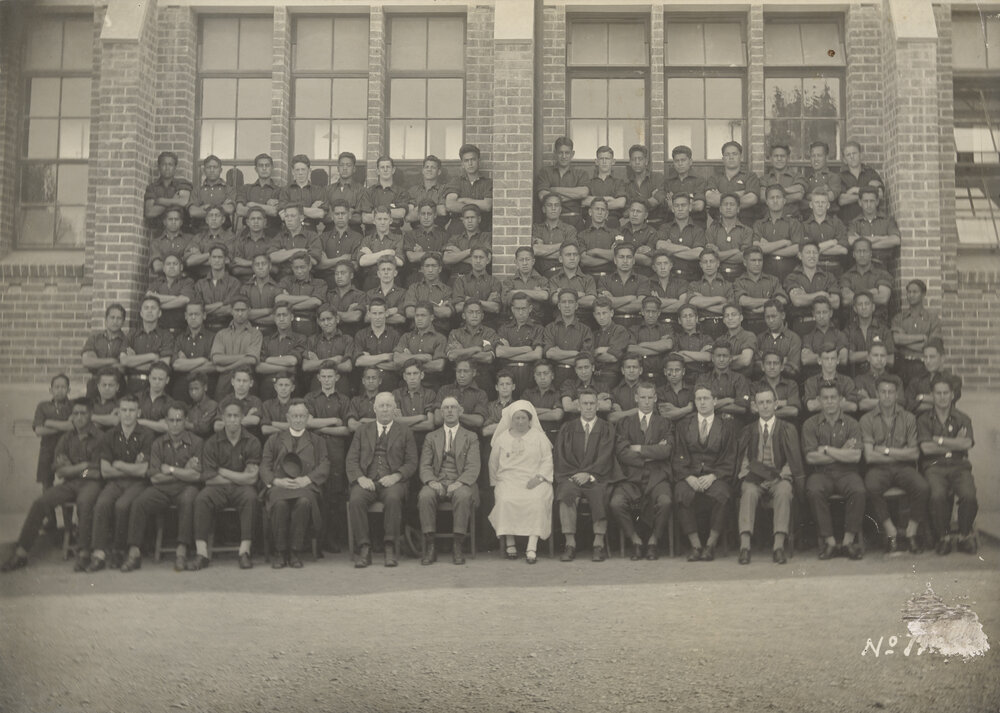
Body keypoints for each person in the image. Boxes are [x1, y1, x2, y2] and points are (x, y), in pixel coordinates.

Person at [2, 398, 103, 573]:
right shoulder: (66, 438)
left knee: (85, 504)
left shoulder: (100, 438)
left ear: (91, 415)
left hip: (91, 483)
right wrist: (82, 467)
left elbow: (98, 471)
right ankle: (21, 553)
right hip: (70, 483)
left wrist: (75, 469)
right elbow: (59, 470)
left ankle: (84, 553)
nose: (79, 418)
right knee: (40, 503)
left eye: (83, 414)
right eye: (76, 414)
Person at [120, 402, 202, 572]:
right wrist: (182, 471)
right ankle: (134, 552)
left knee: (188, 500)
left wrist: (170, 469)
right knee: (139, 502)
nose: (175, 424)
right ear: (166, 421)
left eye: (179, 420)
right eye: (171, 420)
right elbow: (155, 478)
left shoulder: (197, 442)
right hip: (162, 489)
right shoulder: (158, 443)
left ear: (185, 421)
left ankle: (181, 552)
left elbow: (196, 476)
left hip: (186, 488)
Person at [345, 392, 418, 567]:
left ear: (395, 409)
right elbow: (351, 459)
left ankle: (390, 546)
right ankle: (364, 547)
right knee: (355, 499)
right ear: (374, 408)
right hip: (367, 480)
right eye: (382, 406)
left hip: (393, 482)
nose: (385, 409)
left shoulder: (405, 431)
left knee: (393, 498)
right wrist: (360, 478)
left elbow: (412, 461)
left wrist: (396, 476)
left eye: (389, 406)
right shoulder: (362, 430)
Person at [735, 385, 803, 565]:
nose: (765, 406)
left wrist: (783, 475)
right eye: (761, 403)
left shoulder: (787, 429)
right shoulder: (748, 430)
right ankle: (745, 546)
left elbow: (792, 460)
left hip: (779, 476)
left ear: (775, 404)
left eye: (768, 402)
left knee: (784, 492)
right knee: (748, 492)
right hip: (754, 478)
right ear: (755, 406)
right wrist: (747, 476)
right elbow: (743, 460)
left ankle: (778, 546)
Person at [860, 374, 928, 555]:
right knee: (871, 486)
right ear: (877, 393)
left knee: (922, 486)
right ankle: (891, 532)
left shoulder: (909, 418)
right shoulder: (867, 419)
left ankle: (910, 532)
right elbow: (869, 456)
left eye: (891, 392)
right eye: (883, 392)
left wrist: (885, 451)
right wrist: (900, 454)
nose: (887, 396)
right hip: (879, 470)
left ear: (897, 394)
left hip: (904, 469)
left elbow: (914, 453)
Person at [87, 393, 155, 571]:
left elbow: (143, 471)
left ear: (138, 412)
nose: (127, 414)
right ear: (118, 412)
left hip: (137, 484)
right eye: (124, 410)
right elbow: (105, 470)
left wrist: (119, 464)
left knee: (123, 505)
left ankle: (119, 550)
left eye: (132, 410)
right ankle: (99, 554)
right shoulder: (109, 435)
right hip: (116, 482)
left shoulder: (147, 435)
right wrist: (130, 467)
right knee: (102, 503)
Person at [190, 401, 262, 570]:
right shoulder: (212, 442)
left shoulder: (252, 441)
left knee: (251, 497)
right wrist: (239, 477)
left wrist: (222, 471)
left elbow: (252, 479)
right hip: (217, 488)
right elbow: (208, 479)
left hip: (242, 489)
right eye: (228, 416)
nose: (232, 420)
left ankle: (244, 552)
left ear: (242, 418)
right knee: (202, 498)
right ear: (223, 418)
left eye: (236, 416)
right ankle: (202, 553)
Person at [260, 399, 329, 568]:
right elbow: (264, 465)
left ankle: (295, 552)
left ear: (307, 418)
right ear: (288, 418)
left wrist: (307, 479)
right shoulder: (275, 439)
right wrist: (276, 481)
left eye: (302, 416)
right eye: (295, 416)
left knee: (304, 503)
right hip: (279, 486)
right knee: (280, 504)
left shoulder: (317, 440)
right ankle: (280, 552)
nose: (298, 420)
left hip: (305, 486)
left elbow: (325, 464)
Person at [672, 386, 737, 561]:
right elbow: (678, 455)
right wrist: (688, 477)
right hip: (690, 474)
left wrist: (713, 476)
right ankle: (696, 546)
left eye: (706, 398)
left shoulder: (726, 426)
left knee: (722, 494)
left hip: (715, 475)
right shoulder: (684, 425)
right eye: (699, 399)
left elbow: (730, 457)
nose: (702, 402)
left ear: (714, 401)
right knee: (681, 493)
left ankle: (710, 545)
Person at [553, 389, 619, 562]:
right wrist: (576, 475)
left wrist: (589, 474)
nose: (588, 407)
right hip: (572, 476)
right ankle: (570, 544)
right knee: (566, 493)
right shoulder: (567, 428)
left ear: (597, 406)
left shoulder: (607, 428)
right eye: (585, 403)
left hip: (597, 477)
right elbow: (561, 455)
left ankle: (598, 544)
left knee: (599, 492)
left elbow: (606, 455)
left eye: (592, 403)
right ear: (578, 406)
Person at [803, 382, 865, 560]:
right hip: (821, 473)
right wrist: (842, 451)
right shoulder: (810, 424)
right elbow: (811, 458)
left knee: (859, 490)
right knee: (814, 490)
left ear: (841, 400)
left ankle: (847, 542)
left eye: (833, 398)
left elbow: (855, 457)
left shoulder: (852, 423)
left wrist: (827, 450)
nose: (830, 402)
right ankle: (829, 542)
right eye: (825, 398)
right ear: (819, 401)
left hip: (848, 473)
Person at [612, 382, 674, 560]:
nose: (646, 402)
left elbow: (667, 451)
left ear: (655, 398)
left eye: (650, 397)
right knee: (616, 503)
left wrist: (638, 448)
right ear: (636, 398)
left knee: (665, 501)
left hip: (657, 476)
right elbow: (622, 453)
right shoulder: (624, 423)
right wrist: (653, 452)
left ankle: (654, 541)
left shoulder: (665, 423)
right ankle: (636, 540)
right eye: (643, 397)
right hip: (630, 477)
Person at [917, 376, 978, 555]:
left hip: (959, 465)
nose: (942, 397)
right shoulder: (924, 419)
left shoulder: (963, 418)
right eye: (938, 393)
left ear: (952, 395)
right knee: (937, 496)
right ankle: (943, 537)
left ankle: (964, 535)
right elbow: (926, 448)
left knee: (969, 495)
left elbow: (966, 444)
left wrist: (939, 439)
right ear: (932, 395)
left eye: (946, 393)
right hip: (934, 466)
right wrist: (954, 442)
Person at [489, 400, 554, 564]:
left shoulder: (539, 437)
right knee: (505, 499)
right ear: (511, 419)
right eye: (516, 418)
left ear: (529, 419)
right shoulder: (502, 439)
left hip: (535, 480)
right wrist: (497, 482)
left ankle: (532, 546)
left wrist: (539, 478)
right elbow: (493, 463)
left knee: (537, 500)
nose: (520, 422)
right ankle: (510, 543)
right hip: (508, 480)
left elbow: (547, 460)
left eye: (523, 418)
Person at [417, 396, 480, 565]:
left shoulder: (471, 436)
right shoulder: (432, 437)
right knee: (425, 496)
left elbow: (473, 466)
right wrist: (431, 482)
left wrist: (459, 483)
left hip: (460, 481)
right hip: (437, 480)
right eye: (446, 408)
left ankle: (457, 545)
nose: (450, 411)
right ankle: (430, 546)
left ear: (460, 411)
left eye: (453, 407)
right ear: (441, 412)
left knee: (463, 496)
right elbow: (425, 465)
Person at [304, 363, 353, 553]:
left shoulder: (343, 399)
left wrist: (319, 427)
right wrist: (332, 421)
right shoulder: (310, 398)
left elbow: (346, 429)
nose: (326, 380)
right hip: (314, 451)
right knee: (316, 493)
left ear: (337, 378)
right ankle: (315, 539)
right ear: (318, 378)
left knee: (334, 496)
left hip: (336, 452)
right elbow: (307, 423)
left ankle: (330, 539)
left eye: (330, 376)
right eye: (323, 376)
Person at [31, 374, 74, 527]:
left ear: (69, 389)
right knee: (46, 484)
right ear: (51, 389)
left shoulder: (73, 406)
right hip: (47, 450)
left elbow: (72, 427)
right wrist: (62, 425)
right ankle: (51, 520)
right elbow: (39, 430)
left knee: (68, 483)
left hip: (67, 451)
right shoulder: (43, 406)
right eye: (57, 387)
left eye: (63, 387)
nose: (60, 390)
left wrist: (49, 423)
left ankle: (68, 523)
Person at [891, 279, 943, 387]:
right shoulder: (899, 318)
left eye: (915, 292)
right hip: (902, 364)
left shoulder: (932, 319)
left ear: (923, 294)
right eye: (909, 292)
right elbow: (896, 340)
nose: (911, 295)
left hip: (923, 365)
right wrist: (921, 337)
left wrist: (905, 341)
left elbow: (931, 345)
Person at [209, 296, 262, 400]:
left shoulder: (256, 334)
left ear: (249, 311)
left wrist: (226, 368)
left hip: (246, 382)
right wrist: (244, 357)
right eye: (237, 310)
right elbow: (216, 359)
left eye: (243, 310)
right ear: (231, 311)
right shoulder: (221, 334)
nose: (240, 313)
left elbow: (251, 359)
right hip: (224, 382)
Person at [784, 241, 840, 336]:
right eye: (808, 252)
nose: (812, 256)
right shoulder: (792, 277)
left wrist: (806, 297)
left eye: (815, 252)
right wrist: (821, 294)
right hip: (802, 325)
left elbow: (835, 303)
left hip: (826, 326)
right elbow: (797, 301)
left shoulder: (828, 277)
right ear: (800, 255)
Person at [120, 296, 175, 395]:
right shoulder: (131, 334)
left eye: (153, 308)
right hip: (133, 385)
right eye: (146, 308)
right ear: (141, 313)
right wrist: (153, 357)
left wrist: (135, 360)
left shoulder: (166, 336)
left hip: (156, 387)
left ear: (159, 313)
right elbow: (124, 361)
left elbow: (163, 366)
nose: (149, 311)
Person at [752, 184, 804, 285]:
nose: (775, 201)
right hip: (765, 273)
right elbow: (756, 248)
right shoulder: (759, 224)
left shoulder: (794, 223)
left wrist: (768, 248)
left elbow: (797, 248)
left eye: (778, 197)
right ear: (767, 202)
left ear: (784, 201)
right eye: (772, 198)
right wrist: (784, 242)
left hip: (789, 273)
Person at [496, 290, 545, 394]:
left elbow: (537, 355)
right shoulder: (504, 329)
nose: (521, 312)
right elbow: (499, 352)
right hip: (508, 375)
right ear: (513, 309)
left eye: (524, 308)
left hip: (529, 375)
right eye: (518, 309)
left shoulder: (538, 328)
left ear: (530, 309)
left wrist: (509, 352)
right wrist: (527, 349)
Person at [543, 288, 594, 386]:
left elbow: (586, 359)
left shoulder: (585, 330)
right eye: (563, 302)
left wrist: (558, 355)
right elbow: (549, 354)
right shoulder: (550, 328)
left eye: (570, 302)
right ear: (559, 306)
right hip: (554, 378)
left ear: (576, 306)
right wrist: (576, 353)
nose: (567, 305)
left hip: (576, 379)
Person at [536, 137, 590, 226]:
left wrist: (554, 190)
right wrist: (574, 196)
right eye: (560, 153)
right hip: (551, 222)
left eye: (567, 153)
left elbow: (583, 193)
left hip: (575, 221)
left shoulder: (580, 173)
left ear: (572, 154)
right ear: (555, 153)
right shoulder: (546, 172)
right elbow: (542, 196)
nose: (564, 156)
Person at [735, 245, 789, 335]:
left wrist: (764, 308)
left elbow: (783, 300)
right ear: (745, 262)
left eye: (760, 260)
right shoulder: (739, 282)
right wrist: (770, 302)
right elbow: (743, 301)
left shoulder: (773, 280)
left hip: (770, 326)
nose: (757, 264)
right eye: (753, 260)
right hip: (748, 327)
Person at [703, 141, 760, 223]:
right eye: (727, 155)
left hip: (744, 224)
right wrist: (741, 193)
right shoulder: (714, 178)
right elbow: (710, 199)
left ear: (740, 157)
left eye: (734, 154)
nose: (731, 157)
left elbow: (752, 199)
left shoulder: (750, 176)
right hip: (719, 224)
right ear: (723, 159)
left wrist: (720, 196)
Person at [171, 302, 217, 402]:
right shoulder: (179, 339)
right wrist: (202, 360)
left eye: (197, 314)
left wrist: (186, 364)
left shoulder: (213, 338)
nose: (193, 317)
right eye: (190, 314)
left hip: (206, 387)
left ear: (204, 316)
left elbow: (213, 366)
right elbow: (176, 365)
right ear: (185, 316)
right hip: (182, 388)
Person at [395, 302, 447, 388]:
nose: (419, 318)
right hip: (406, 386)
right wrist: (422, 357)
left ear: (431, 317)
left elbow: (439, 365)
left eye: (423, 315)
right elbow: (397, 360)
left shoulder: (440, 338)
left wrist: (409, 359)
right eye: (417, 315)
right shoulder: (406, 337)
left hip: (431, 386)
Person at [302, 307, 355, 393]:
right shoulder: (312, 340)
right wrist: (334, 360)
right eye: (322, 320)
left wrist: (318, 363)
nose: (326, 323)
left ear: (337, 319)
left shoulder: (347, 339)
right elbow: (306, 366)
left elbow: (347, 366)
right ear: (318, 322)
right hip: (317, 388)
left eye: (329, 319)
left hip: (340, 387)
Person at [444, 143, 493, 235]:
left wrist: (465, 200)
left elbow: (487, 206)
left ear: (478, 161)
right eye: (466, 161)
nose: (470, 163)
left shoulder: (487, 183)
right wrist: (477, 206)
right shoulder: (456, 182)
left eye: (473, 159)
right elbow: (450, 205)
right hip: (457, 231)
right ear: (462, 164)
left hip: (482, 231)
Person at [905, 338, 963, 414]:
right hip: (920, 423)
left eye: (932, 357)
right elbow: (908, 405)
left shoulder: (953, 380)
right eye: (925, 357)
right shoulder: (916, 380)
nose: (928, 361)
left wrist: (921, 397)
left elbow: (947, 403)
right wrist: (934, 402)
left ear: (942, 358)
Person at [656, 193, 705, 282]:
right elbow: (660, 246)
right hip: (669, 278)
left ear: (690, 207)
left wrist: (670, 250)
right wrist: (687, 249)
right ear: (672, 209)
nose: (680, 208)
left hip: (691, 278)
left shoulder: (698, 230)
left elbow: (698, 254)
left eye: (683, 205)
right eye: (676, 205)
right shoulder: (665, 227)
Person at [82, 303, 127, 399]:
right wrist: (113, 360)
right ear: (106, 320)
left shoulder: (127, 340)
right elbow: (87, 361)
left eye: (119, 318)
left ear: (123, 322)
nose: (115, 321)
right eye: (112, 317)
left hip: (117, 384)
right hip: (95, 382)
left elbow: (123, 367)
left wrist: (98, 362)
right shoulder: (95, 338)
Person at [704, 193, 754, 281]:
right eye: (725, 204)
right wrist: (735, 251)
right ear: (720, 209)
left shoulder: (747, 231)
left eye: (732, 204)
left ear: (738, 209)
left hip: (741, 276)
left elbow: (745, 257)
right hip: (717, 277)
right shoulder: (711, 230)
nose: (728, 207)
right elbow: (710, 257)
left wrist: (719, 254)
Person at [316, 199, 363, 290]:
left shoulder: (358, 237)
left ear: (349, 215)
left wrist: (328, 262)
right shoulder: (323, 237)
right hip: (326, 281)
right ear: (332, 216)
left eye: (343, 213)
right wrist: (343, 258)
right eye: (337, 214)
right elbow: (319, 265)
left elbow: (355, 266)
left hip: (349, 282)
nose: (340, 217)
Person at [194, 243, 242, 332]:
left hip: (228, 329)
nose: (217, 260)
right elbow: (197, 310)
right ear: (209, 260)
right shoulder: (200, 284)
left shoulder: (234, 283)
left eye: (220, 257)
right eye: (214, 257)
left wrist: (206, 309)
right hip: (205, 330)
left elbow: (229, 310)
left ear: (226, 260)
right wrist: (220, 304)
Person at [687, 246, 733, 337]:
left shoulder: (728, 285)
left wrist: (702, 304)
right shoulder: (694, 285)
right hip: (701, 328)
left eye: (711, 261)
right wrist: (720, 299)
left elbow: (729, 309)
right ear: (700, 265)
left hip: (723, 327)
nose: (708, 265)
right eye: (705, 262)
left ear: (718, 263)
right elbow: (692, 302)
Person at [277, 253, 327, 336]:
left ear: (309, 266)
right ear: (292, 268)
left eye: (302, 267)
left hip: (311, 326)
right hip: (290, 327)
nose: (299, 271)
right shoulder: (286, 281)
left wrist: (289, 305)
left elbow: (315, 302)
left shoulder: (319, 283)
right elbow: (278, 299)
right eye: (296, 268)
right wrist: (307, 298)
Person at [270, 203, 323, 281]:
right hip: (283, 278)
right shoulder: (280, 237)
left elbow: (314, 261)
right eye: (286, 216)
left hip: (306, 279)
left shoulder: (311, 236)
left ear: (301, 218)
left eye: (292, 216)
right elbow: (271, 257)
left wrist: (284, 254)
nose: (289, 219)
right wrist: (298, 251)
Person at [802, 191, 849, 278]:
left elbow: (843, 250)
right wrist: (831, 243)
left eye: (823, 202)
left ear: (828, 205)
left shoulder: (836, 223)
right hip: (813, 270)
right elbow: (803, 252)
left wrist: (815, 250)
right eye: (817, 202)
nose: (820, 205)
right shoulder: (804, 226)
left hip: (835, 268)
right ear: (811, 205)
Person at [627, 296, 675, 382]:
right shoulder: (634, 329)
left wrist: (642, 345)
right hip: (640, 378)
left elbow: (668, 345)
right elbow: (631, 349)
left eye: (654, 312)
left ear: (659, 312)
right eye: (647, 311)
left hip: (662, 378)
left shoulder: (666, 328)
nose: (650, 315)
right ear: (642, 312)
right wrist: (660, 349)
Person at [404, 198, 450, 285]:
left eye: (429, 214)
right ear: (418, 215)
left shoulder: (444, 236)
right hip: (416, 277)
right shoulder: (410, 235)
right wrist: (437, 254)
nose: (426, 217)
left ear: (435, 215)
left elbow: (445, 258)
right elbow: (412, 257)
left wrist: (422, 254)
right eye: (423, 214)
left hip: (439, 277)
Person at [838, 141, 886, 224]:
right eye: (848, 155)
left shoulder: (871, 173)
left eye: (854, 153)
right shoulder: (840, 177)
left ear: (860, 155)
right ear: (844, 160)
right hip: (849, 224)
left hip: (871, 224)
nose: (852, 157)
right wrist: (868, 194)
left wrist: (855, 190)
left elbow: (880, 194)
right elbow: (841, 200)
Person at [591, 296, 633, 390]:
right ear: (594, 315)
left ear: (611, 313)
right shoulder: (593, 334)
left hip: (612, 379)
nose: (601, 317)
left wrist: (595, 353)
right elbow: (588, 357)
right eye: (598, 314)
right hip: (594, 377)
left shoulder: (619, 330)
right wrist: (599, 351)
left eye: (604, 313)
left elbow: (612, 357)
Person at [803, 344, 858, 415]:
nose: (830, 362)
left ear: (838, 360)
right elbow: (811, 406)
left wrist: (820, 401)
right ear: (819, 360)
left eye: (833, 358)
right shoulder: (811, 381)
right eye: (826, 359)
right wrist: (840, 400)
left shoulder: (847, 381)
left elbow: (853, 406)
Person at [532, 193, 579, 276]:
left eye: (556, 205)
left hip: (562, 276)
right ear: (544, 209)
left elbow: (569, 255)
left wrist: (544, 252)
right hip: (540, 276)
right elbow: (536, 250)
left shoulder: (569, 229)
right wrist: (562, 245)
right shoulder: (536, 228)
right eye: (549, 205)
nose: (553, 208)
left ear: (560, 209)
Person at [236, 153, 282, 236]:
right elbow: (240, 210)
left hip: (272, 234)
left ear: (272, 168)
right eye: (261, 166)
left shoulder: (279, 190)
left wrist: (251, 204)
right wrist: (266, 208)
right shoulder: (246, 188)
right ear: (256, 169)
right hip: (248, 234)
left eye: (267, 165)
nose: (264, 168)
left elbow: (274, 212)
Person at [800, 297, 848, 377]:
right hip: (814, 379)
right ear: (813, 314)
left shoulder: (840, 335)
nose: (821, 316)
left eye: (825, 312)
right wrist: (833, 357)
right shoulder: (808, 337)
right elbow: (806, 359)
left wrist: (816, 357)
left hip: (836, 379)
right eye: (818, 312)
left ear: (831, 313)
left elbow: (844, 358)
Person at [146, 254, 194, 332]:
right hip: (160, 330)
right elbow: (149, 298)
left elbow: (184, 300)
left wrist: (158, 304)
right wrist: (175, 298)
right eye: (168, 264)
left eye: (175, 264)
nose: (171, 266)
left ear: (181, 267)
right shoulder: (157, 283)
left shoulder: (187, 282)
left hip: (182, 330)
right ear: (164, 268)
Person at [436, 359, 490, 430]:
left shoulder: (480, 394)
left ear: (473, 373)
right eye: (458, 371)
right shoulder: (444, 390)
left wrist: (453, 413)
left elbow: (478, 421)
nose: (461, 375)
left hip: (469, 437)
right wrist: (463, 417)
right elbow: (438, 419)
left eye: (466, 371)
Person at [279, 155, 326, 231]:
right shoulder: (285, 190)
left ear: (309, 170)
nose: (300, 173)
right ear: (293, 172)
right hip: (290, 233)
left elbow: (320, 214)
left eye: (303, 169)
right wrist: (310, 209)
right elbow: (283, 215)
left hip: (311, 232)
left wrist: (292, 211)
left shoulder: (318, 190)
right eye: (297, 170)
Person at [582, 145, 627, 227]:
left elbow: (621, 203)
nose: (604, 162)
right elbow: (584, 201)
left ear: (613, 161)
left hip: (612, 221)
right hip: (591, 222)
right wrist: (608, 199)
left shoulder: (618, 182)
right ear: (596, 161)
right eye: (601, 159)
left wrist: (594, 204)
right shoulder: (589, 182)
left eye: (607, 159)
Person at [598, 242, 648, 315]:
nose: (625, 261)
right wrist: (630, 298)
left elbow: (641, 304)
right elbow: (603, 304)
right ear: (615, 260)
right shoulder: (604, 280)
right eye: (621, 257)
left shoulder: (643, 280)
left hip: (636, 323)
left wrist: (613, 306)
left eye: (629, 257)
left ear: (634, 260)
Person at [756, 299, 801, 379]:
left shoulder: (793, 338)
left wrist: (766, 362)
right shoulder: (760, 339)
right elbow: (754, 366)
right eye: (767, 317)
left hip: (787, 385)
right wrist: (784, 361)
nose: (771, 320)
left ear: (783, 315)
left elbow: (793, 370)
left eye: (774, 316)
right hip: (763, 384)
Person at [144, 150, 192, 225]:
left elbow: (183, 202)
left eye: (170, 165)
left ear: (175, 167)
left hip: (181, 231)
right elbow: (149, 213)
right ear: (159, 167)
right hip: (159, 231)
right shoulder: (152, 188)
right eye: (164, 164)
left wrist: (160, 201)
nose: (167, 168)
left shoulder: (182, 183)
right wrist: (174, 201)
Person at [452, 247, 502, 318]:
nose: (478, 261)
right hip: (464, 325)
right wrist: (486, 304)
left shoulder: (494, 281)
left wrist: (469, 300)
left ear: (487, 260)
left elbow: (495, 308)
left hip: (488, 325)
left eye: (481, 257)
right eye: (475, 257)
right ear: (470, 260)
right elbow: (458, 307)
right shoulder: (461, 281)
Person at [623, 144, 666, 226]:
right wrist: (649, 200)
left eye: (640, 159)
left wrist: (635, 207)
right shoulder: (626, 183)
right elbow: (625, 212)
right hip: (634, 225)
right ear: (630, 162)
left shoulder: (657, 178)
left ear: (646, 161)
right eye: (634, 159)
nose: (637, 162)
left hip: (655, 223)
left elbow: (658, 200)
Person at [360, 155, 407, 230]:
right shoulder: (369, 192)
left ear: (393, 170)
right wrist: (391, 213)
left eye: (388, 167)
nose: (385, 170)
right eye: (382, 167)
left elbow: (401, 213)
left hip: (394, 235)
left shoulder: (400, 192)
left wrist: (374, 213)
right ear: (378, 171)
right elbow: (365, 218)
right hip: (372, 236)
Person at [231, 207, 277, 283]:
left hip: (266, 285)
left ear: (265, 222)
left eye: (259, 219)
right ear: (248, 222)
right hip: (244, 284)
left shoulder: (272, 242)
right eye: (253, 219)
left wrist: (247, 263)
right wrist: (263, 268)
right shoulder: (240, 242)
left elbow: (275, 270)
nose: (256, 222)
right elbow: (236, 270)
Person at [663, 145, 706, 225]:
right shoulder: (668, 182)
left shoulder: (699, 180)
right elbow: (666, 207)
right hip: (673, 225)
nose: (680, 164)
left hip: (695, 224)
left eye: (683, 160)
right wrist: (690, 203)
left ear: (690, 162)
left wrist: (674, 205)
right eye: (677, 161)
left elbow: (699, 206)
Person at [443, 205, 491, 278]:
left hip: (476, 280)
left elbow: (484, 261)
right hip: (455, 280)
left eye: (472, 217)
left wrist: (458, 254)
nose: (469, 221)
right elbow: (446, 259)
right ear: (463, 220)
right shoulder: (455, 238)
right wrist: (471, 251)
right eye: (467, 218)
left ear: (479, 219)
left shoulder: (485, 237)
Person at [188, 155, 235, 228]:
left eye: (215, 167)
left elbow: (230, 209)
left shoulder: (228, 189)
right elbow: (193, 212)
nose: (212, 170)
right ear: (204, 170)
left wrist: (203, 208)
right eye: (208, 167)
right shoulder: (197, 190)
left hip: (223, 232)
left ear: (220, 170)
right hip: (199, 231)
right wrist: (221, 207)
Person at [753, 351, 801, 421]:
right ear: (763, 367)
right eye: (768, 363)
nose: (772, 367)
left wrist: (766, 411)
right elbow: (753, 409)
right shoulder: (755, 386)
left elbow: (793, 411)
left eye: (775, 363)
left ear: (782, 367)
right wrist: (784, 403)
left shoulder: (791, 384)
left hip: (785, 426)